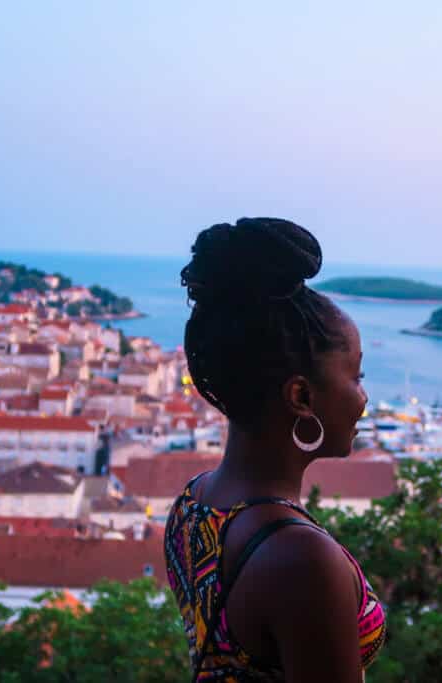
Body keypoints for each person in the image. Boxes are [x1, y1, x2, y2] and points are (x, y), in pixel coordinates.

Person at [164, 218, 386, 682]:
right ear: (301, 397)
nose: (364, 397)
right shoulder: (302, 559)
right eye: (357, 376)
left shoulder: (192, 505)